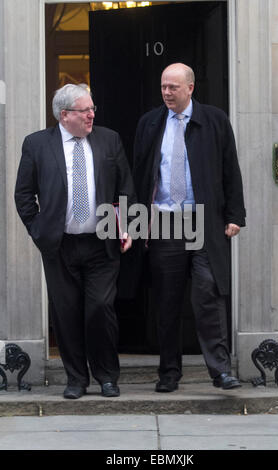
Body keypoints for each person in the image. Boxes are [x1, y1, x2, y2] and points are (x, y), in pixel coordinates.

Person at [15, 83, 136, 399]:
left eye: (93, 109)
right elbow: (24, 195)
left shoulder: (109, 139)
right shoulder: (37, 144)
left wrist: (126, 227)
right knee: (66, 312)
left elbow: (126, 188)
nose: (92, 115)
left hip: (102, 243)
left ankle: (107, 376)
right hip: (60, 245)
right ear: (64, 114)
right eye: (86, 110)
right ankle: (76, 379)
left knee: (99, 308)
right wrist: (39, 231)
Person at [133, 63, 246, 392]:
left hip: (204, 222)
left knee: (208, 293)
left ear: (191, 88)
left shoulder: (215, 120)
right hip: (164, 222)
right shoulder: (150, 123)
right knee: (167, 302)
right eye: (164, 86)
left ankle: (220, 370)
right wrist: (135, 221)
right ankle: (169, 372)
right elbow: (140, 173)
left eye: (174, 87)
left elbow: (231, 170)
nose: (167, 92)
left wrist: (235, 215)